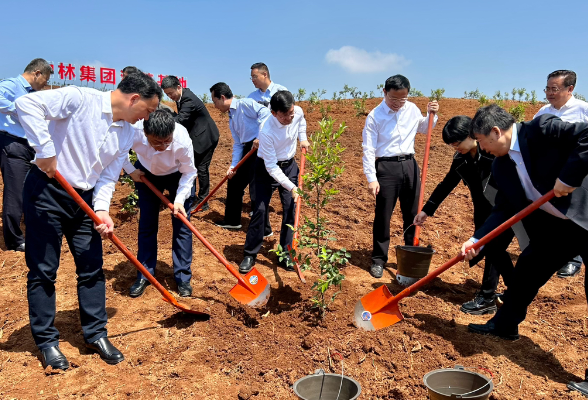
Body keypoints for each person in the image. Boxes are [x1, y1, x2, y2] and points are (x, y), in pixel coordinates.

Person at [16, 72, 161, 370]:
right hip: (47, 191)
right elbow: (26, 104)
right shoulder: (80, 98)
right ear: (134, 99)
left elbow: (108, 175)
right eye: (147, 110)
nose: (145, 118)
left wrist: (103, 210)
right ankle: (47, 342)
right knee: (44, 269)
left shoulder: (125, 132)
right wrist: (45, 150)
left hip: (84, 200)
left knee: (92, 267)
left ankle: (95, 334)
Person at [460, 104, 588, 341]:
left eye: (481, 140)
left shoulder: (541, 129)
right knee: (526, 272)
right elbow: (503, 208)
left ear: (496, 132)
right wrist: (478, 239)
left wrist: (569, 176)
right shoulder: (502, 166)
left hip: (585, 216)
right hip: (556, 228)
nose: (481, 147)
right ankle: (505, 325)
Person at [413, 116, 515, 314]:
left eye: (457, 143)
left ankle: (487, 297)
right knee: (496, 251)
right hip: (483, 211)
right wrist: (427, 210)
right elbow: (447, 184)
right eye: (451, 145)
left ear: (472, 135)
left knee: (495, 248)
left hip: (503, 208)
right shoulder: (461, 160)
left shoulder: (493, 154)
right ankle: (517, 289)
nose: (455, 148)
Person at [362, 74, 439, 278]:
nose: (398, 103)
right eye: (394, 99)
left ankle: (410, 252)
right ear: (384, 92)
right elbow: (368, 149)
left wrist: (431, 114)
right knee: (383, 215)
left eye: (402, 99)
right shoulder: (375, 116)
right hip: (386, 168)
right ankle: (379, 259)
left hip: (410, 165)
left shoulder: (412, 109)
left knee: (412, 213)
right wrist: (371, 177)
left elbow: (425, 128)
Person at [123, 110, 197, 298]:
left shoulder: (181, 140)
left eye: (167, 141)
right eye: (157, 142)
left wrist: (179, 200)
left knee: (182, 227)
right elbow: (118, 150)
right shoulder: (133, 131)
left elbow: (189, 172)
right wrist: (131, 170)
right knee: (147, 225)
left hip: (178, 175)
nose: (163, 146)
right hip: (147, 175)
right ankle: (144, 274)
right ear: (146, 134)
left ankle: (182, 277)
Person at [239, 91, 309, 273]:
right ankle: (250, 254)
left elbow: (301, 122)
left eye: (291, 113)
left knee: (291, 210)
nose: (289, 117)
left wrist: (304, 138)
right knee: (260, 210)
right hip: (266, 169)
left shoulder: (297, 112)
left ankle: (286, 254)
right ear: (274, 113)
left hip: (290, 165)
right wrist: (292, 187)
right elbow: (271, 167)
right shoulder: (266, 130)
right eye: (284, 115)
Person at [534, 70, 587, 278]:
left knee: (576, 214)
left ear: (570, 89)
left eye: (554, 89)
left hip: (576, 175)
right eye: (547, 88)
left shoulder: (583, 110)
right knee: (555, 214)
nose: (549, 93)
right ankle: (557, 254)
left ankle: (575, 259)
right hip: (551, 173)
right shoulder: (543, 112)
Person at [0, 58, 53, 252]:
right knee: (15, 192)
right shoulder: (12, 85)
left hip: (29, 146)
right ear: (37, 73)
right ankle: (13, 240)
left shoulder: (33, 94)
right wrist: (18, 109)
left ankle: (30, 229)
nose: (45, 85)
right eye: (45, 80)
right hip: (13, 143)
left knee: (30, 189)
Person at [209, 82, 272, 233]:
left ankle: (265, 229)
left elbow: (266, 114)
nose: (215, 106)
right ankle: (232, 220)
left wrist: (260, 135)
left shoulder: (245, 104)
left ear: (222, 97)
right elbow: (238, 143)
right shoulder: (232, 116)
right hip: (247, 149)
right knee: (235, 181)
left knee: (257, 188)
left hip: (260, 148)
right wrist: (233, 166)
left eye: (215, 101)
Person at [161, 76, 219, 211]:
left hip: (206, 137)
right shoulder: (182, 97)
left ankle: (203, 202)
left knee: (201, 169)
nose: (170, 96)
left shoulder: (188, 99)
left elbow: (180, 120)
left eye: (171, 93)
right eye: (167, 94)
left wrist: (164, 117)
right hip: (198, 135)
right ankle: (191, 196)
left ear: (179, 87)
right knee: (194, 167)